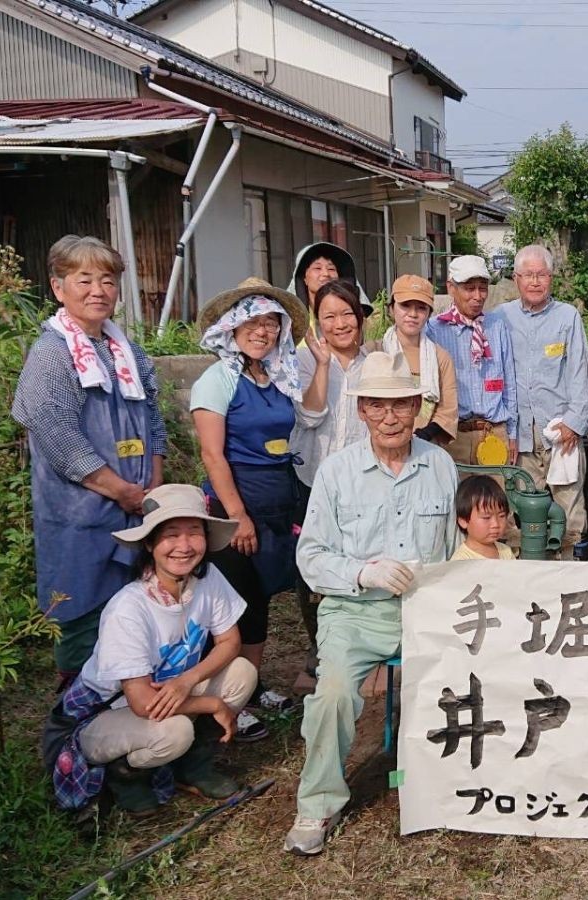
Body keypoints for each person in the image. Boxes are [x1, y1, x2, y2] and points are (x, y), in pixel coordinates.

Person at [286, 351, 459, 856]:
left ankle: (454, 784)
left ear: (416, 409)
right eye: (377, 406)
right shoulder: (337, 472)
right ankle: (318, 801)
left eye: (401, 405)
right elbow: (310, 556)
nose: (390, 417)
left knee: (477, 675)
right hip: (353, 611)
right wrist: (362, 572)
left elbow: (452, 549)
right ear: (362, 411)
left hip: (426, 609)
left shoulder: (440, 465)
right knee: (335, 694)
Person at [45, 484, 256, 817]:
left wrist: (188, 680)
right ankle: (127, 775)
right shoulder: (129, 608)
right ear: (149, 543)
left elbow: (230, 641)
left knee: (243, 672)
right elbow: (142, 702)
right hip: (105, 713)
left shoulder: (207, 577)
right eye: (171, 535)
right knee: (175, 731)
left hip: (166, 692)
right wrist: (211, 702)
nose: (184, 547)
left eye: (194, 533)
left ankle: (193, 767)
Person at [12, 234, 166, 680]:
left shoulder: (128, 353)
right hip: (80, 515)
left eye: (107, 281)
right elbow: (54, 432)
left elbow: (153, 420)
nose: (98, 291)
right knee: (83, 618)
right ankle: (75, 724)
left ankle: (128, 707)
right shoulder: (52, 354)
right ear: (58, 288)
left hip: (137, 507)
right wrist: (119, 490)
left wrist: (151, 483)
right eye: (84, 280)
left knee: (135, 616)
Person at [191, 277, 307, 741]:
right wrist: (237, 514)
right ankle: (225, 702)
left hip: (278, 498)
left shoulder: (277, 376)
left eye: (271, 324)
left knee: (260, 598)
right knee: (234, 602)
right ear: (232, 327)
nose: (262, 332)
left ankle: (251, 686)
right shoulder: (217, 379)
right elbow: (213, 455)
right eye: (252, 323)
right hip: (237, 503)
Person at [291, 279, 369, 675]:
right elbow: (310, 415)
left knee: (355, 555)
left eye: (346, 314)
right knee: (314, 560)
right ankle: (317, 643)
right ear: (317, 322)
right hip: (313, 476)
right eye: (329, 316)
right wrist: (322, 365)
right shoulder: (303, 360)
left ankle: (354, 640)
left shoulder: (373, 362)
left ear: (359, 317)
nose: (340, 324)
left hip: (360, 482)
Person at [498, 245, 588, 552]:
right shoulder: (501, 318)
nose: (535, 281)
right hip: (520, 435)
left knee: (568, 515)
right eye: (528, 275)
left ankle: (570, 574)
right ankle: (527, 576)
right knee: (523, 516)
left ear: (551, 277)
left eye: (542, 274)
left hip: (560, 432)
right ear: (516, 278)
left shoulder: (567, 316)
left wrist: (575, 423)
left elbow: (578, 370)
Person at [425, 255, 517, 467]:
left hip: (495, 433)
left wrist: (512, 434)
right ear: (451, 288)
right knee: (456, 498)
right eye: (469, 288)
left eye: (483, 288)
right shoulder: (434, 330)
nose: (478, 296)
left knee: (494, 498)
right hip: (453, 436)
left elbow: (509, 385)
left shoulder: (497, 326)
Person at [367, 274, 458, 445]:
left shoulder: (440, 358)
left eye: (421, 308)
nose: (413, 314)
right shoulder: (375, 351)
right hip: (380, 444)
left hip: (426, 447)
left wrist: (423, 435)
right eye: (405, 306)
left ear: (429, 313)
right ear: (391, 309)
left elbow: (448, 411)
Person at [288, 241, 374, 320]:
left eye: (331, 269)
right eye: (317, 268)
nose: (326, 274)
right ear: (304, 278)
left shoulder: (354, 319)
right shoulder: (289, 321)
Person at [451, 475, 515, 561]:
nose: (495, 524)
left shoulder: (506, 551)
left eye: (501, 516)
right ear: (463, 521)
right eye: (486, 517)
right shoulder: (461, 560)